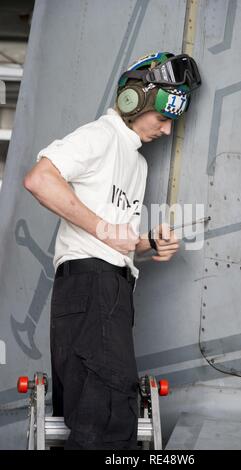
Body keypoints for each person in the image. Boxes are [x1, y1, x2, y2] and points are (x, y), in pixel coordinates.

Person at [23, 51, 201, 450]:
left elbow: (114, 238)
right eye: (163, 118)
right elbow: (39, 179)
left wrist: (148, 243)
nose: (168, 131)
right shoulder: (99, 136)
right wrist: (105, 229)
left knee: (97, 416)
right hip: (92, 287)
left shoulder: (136, 164)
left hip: (110, 291)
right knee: (107, 422)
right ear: (133, 102)